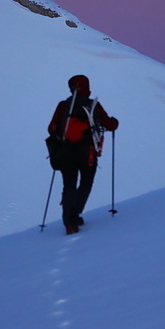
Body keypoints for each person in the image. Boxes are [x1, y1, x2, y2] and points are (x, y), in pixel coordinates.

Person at [47, 75, 119, 234]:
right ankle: (76, 214)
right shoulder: (94, 106)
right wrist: (114, 122)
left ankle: (69, 223)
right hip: (88, 152)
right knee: (86, 183)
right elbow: (110, 125)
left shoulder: (63, 106)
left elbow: (51, 129)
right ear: (87, 87)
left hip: (65, 151)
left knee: (69, 185)